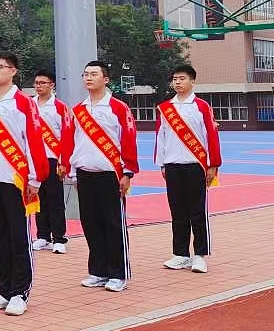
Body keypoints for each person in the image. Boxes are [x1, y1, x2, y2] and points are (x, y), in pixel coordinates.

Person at [0, 52, 48, 316]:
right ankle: (3, 289)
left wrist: (35, 178)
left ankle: (20, 292)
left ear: (13, 71)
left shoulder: (24, 103)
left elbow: (34, 141)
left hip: (16, 180)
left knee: (19, 237)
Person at [62, 60, 139, 294]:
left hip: (110, 175)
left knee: (113, 224)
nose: (88, 78)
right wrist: (69, 169)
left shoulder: (117, 108)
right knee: (91, 224)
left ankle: (118, 273)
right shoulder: (78, 110)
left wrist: (127, 172)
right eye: (85, 74)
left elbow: (128, 139)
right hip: (85, 174)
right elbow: (70, 142)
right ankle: (98, 271)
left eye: (94, 74)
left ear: (105, 79)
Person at [155, 63, 221, 274]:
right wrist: (162, 163)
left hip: (196, 166)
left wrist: (212, 165)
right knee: (177, 212)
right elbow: (161, 137)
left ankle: (200, 255)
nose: (177, 82)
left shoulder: (201, 106)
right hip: (173, 166)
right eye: (174, 79)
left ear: (192, 81)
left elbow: (211, 135)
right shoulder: (165, 108)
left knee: (197, 211)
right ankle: (180, 254)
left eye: (182, 78)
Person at [31, 70, 71, 254]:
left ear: (52, 85)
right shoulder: (29, 105)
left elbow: (66, 135)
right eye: (37, 83)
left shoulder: (60, 107)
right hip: (34, 160)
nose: (39, 86)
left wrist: (64, 162)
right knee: (38, 198)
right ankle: (43, 236)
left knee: (55, 200)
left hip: (53, 159)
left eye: (43, 83)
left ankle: (59, 238)